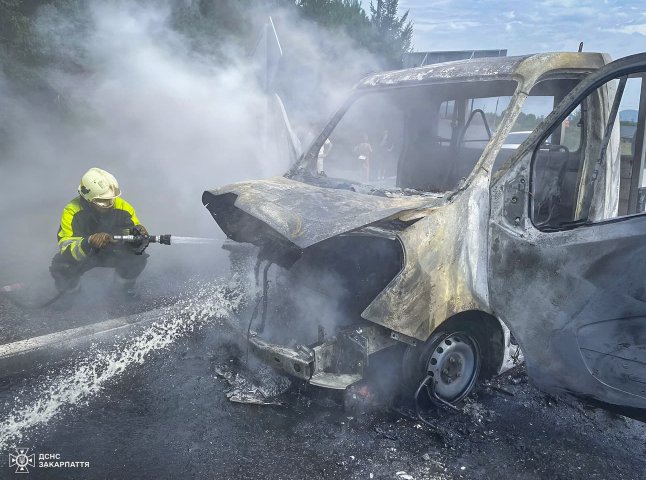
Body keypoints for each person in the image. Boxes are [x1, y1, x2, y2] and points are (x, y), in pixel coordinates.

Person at [49, 167, 149, 298]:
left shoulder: (124, 207)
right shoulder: (72, 211)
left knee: (137, 257)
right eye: (102, 201)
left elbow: (132, 237)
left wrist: (137, 236)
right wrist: (88, 242)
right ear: (87, 198)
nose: (108, 204)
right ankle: (71, 296)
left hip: (113, 251)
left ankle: (121, 290)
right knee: (62, 266)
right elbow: (66, 247)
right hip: (87, 254)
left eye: (111, 199)